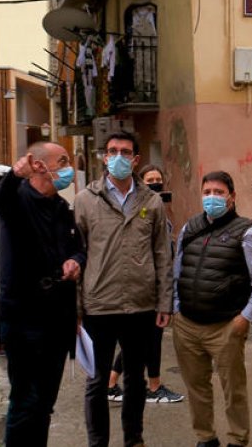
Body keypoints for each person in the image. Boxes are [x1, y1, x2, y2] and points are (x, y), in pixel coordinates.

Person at [75, 132, 174, 447]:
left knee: (134, 380)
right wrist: (75, 309)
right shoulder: (85, 200)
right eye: (112, 151)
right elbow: (77, 255)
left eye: (125, 152)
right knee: (96, 382)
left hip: (140, 306)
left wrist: (164, 303)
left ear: (136, 159)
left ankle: (134, 439)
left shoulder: (151, 201)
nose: (118, 157)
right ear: (104, 157)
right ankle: (97, 443)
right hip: (98, 306)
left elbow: (162, 254)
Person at [0, 142, 85, 446]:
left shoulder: (61, 208)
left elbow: (78, 248)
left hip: (58, 321)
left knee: (44, 403)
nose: (69, 167)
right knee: (25, 402)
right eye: (64, 161)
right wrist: (14, 175)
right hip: (23, 321)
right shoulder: (18, 200)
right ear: (41, 166)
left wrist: (76, 262)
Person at [174, 170, 252, 447]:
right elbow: (177, 271)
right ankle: (205, 438)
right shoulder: (190, 228)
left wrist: (245, 318)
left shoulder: (248, 232)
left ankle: (237, 439)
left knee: (234, 390)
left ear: (232, 197)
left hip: (226, 326)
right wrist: (175, 309)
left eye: (218, 193)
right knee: (197, 387)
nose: (212, 198)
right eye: (207, 193)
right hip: (187, 325)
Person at [105, 165, 185, 405]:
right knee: (148, 339)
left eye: (159, 179)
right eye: (150, 180)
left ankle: (111, 383)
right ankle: (153, 386)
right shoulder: (138, 208)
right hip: (145, 285)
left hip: (159, 284)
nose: (155, 184)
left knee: (142, 339)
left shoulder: (160, 208)